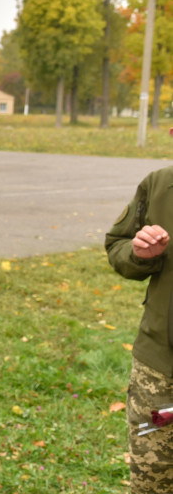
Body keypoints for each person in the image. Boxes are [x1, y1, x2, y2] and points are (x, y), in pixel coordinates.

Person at [106, 166, 173, 493]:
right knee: (153, 482)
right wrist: (139, 253)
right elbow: (117, 244)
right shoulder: (159, 185)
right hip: (159, 372)